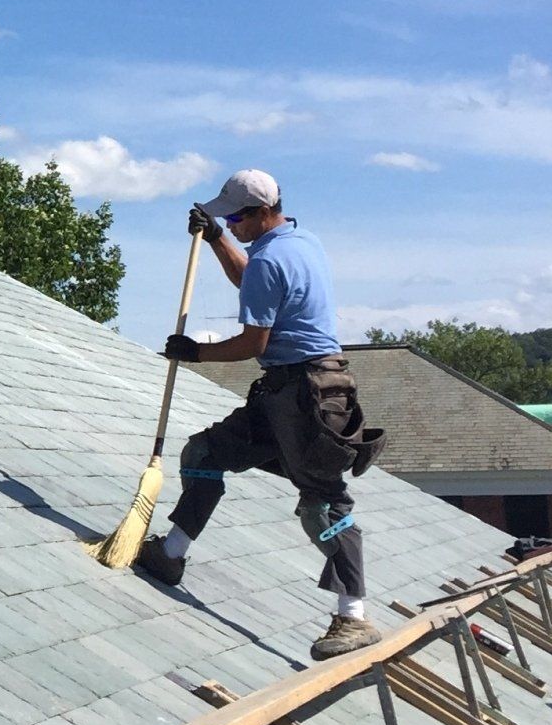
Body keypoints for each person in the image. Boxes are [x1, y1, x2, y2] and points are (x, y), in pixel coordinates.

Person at [135, 168, 384, 658]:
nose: (232, 222)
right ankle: (170, 555)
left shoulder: (272, 261)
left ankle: (354, 616)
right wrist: (216, 237)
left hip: (310, 396)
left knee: (323, 505)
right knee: (205, 451)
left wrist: (194, 353)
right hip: (283, 393)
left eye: (234, 217)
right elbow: (250, 278)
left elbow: (254, 342)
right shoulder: (299, 241)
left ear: (261, 213)